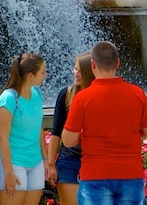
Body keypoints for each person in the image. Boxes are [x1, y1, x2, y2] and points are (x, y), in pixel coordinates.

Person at [61, 42, 147, 205]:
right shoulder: (137, 93)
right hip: (130, 173)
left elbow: (68, 140)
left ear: (92, 64)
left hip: (95, 174)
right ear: (117, 63)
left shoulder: (82, 98)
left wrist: (83, 136)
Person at [0, 53, 53, 205]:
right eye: (43, 71)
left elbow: (38, 129)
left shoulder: (37, 93)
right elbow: (2, 137)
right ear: (31, 75)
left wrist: (45, 160)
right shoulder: (8, 99)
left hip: (34, 160)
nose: (46, 75)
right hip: (12, 161)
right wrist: (9, 172)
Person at [46, 53, 95, 205]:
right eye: (74, 69)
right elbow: (56, 132)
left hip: (95, 162)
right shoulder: (66, 95)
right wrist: (51, 164)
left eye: (79, 70)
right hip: (69, 161)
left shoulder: (99, 96)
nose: (75, 73)